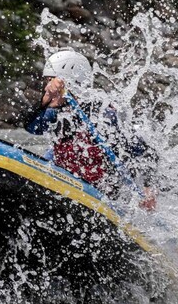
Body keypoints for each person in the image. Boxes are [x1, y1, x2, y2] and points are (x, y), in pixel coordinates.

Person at [23, 49, 158, 210]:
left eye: (52, 81)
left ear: (70, 82)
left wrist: (148, 190)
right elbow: (31, 127)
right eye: (48, 82)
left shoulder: (102, 115)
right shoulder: (54, 112)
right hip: (66, 179)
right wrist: (43, 103)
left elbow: (146, 153)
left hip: (102, 192)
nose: (48, 87)